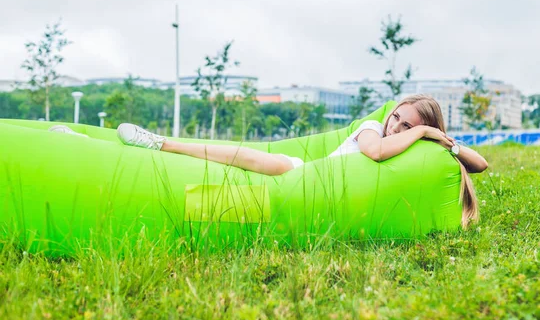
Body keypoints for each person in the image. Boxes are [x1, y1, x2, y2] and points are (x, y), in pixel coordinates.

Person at [54, 95, 488, 228]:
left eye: (406, 123)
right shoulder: (371, 130)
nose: (397, 125)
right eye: (398, 118)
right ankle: (159, 143)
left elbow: (479, 164)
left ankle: (151, 158)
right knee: (243, 163)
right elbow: (373, 152)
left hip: (303, 205)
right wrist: (422, 132)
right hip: (300, 178)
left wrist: (437, 138)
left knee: (222, 204)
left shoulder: (417, 149)